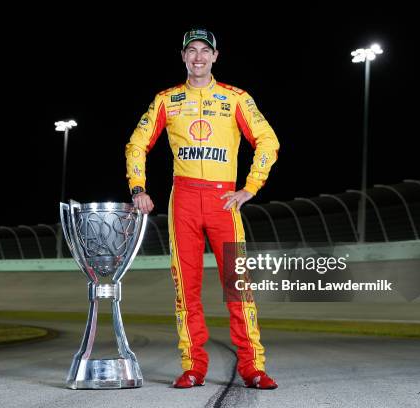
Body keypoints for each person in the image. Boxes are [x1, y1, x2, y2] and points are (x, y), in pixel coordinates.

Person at [125, 28, 280, 389]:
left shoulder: (236, 98)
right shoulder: (166, 99)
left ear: (215, 56)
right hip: (184, 201)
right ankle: (193, 366)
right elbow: (136, 144)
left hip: (224, 200)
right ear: (182, 56)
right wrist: (138, 188)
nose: (198, 57)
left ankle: (252, 367)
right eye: (191, 50)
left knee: (238, 286)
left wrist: (250, 187)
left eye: (204, 51)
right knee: (186, 289)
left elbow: (268, 141)